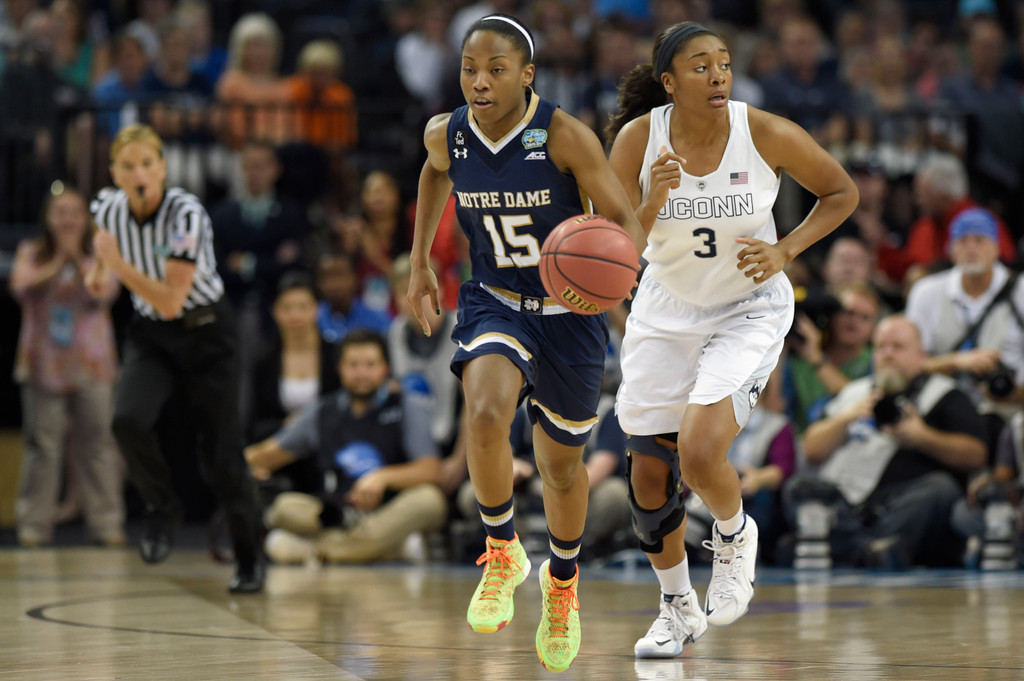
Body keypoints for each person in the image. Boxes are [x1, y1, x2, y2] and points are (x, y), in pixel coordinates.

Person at [605, 21, 858, 658]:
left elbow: (840, 192)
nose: (718, 75)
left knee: (699, 450)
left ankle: (733, 532)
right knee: (648, 476)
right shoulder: (639, 139)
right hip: (665, 307)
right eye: (700, 66)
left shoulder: (762, 130)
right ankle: (675, 608)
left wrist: (786, 249)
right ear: (669, 83)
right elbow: (611, 251)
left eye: (723, 63)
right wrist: (651, 203)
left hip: (747, 308)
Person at [406, 14, 644, 673]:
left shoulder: (563, 135)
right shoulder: (445, 133)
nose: (479, 82)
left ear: (527, 75)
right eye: (469, 70)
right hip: (494, 298)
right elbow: (432, 174)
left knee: (561, 467)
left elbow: (622, 217)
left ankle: (561, 583)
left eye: (496, 70)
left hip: (570, 311)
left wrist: (610, 277)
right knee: (482, 411)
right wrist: (421, 258)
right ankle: (502, 546)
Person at [88, 124, 264, 593]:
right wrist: (97, 275)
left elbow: (171, 298)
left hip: (207, 333)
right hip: (152, 335)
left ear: (163, 168)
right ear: (115, 174)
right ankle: (162, 508)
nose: (139, 172)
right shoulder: (105, 205)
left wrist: (116, 266)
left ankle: (250, 559)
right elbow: (102, 258)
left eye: (148, 163)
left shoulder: (185, 214)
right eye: (128, 166)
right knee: (126, 419)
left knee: (222, 457)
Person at [793, 315, 987, 568]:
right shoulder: (854, 393)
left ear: (921, 355)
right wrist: (847, 418)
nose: (888, 354)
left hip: (900, 504)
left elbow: (976, 456)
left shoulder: (945, 394)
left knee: (942, 489)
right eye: (881, 347)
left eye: (898, 347)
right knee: (799, 488)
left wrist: (923, 437)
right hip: (845, 501)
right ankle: (870, 550)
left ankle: (837, 548)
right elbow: (811, 450)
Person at [243, 329, 446, 565]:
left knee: (430, 500)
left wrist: (382, 478)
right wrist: (232, 460)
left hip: (390, 509)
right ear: (340, 368)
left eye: (370, 365)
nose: (361, 373)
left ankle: (313, 551)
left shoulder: (406, 406)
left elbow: (431, 470)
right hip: (338, 512)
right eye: (353, 365)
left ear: (384, 369)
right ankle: (390, 548)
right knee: (283, 508)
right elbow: (269, 454)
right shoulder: (323, 411)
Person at [10, 185, 125, 548]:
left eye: (75, 212)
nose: (68, 219)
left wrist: (78, 261)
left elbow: (104, 294)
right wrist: (58, 263)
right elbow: (21, 288)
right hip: (44, 362)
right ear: (49, 217)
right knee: (42, 444)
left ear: (85, 218)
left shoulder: (101, 254)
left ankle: (106, 524)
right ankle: (34, 524)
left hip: (92, 364)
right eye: (61, 212)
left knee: (98, 443)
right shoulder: (32, 252)